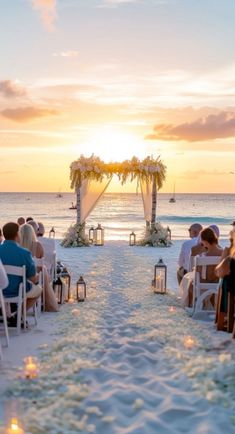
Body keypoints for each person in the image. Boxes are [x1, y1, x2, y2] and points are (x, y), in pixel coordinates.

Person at [0, 222, 41, 324]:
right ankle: (19, 314)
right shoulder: (25, 253)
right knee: (39, 290)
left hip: (1, 291)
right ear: (17, 234)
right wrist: (38, 277)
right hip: (17, 291)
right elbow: (32, 278)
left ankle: (9, 314)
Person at [19, 223, 58, 312]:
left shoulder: (17, 247)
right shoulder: (38, 245)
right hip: (33, 280)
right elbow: (40, 266)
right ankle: (22, 311)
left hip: (19, 281)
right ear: (32, 233)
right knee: (43, 272)